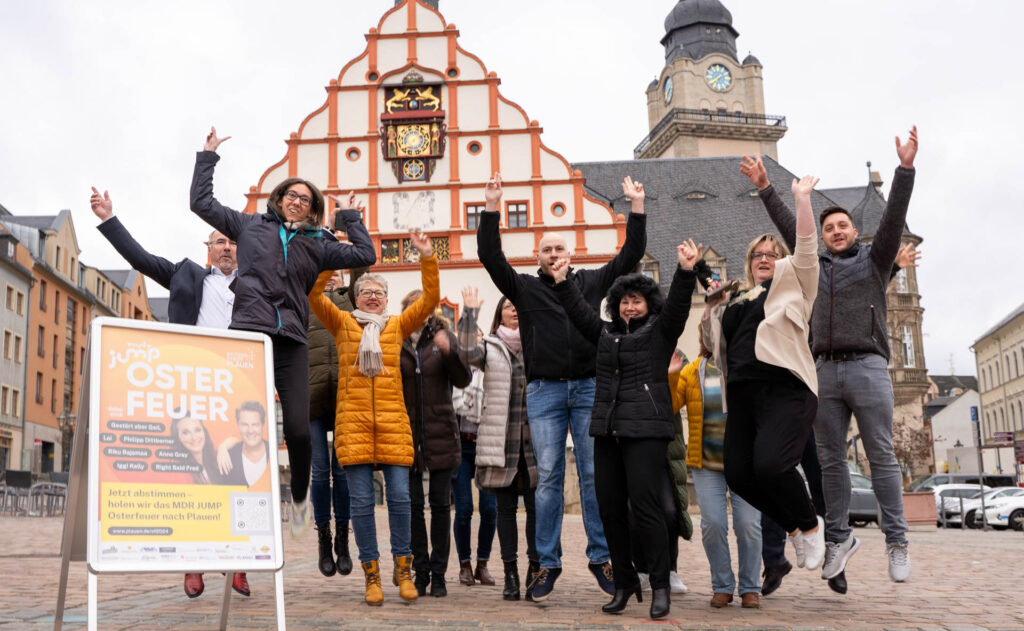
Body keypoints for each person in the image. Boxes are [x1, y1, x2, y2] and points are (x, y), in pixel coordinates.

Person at [740, 126, 919, 584]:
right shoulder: (810, 268)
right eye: (828, 227)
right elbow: (788, 227)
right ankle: (837, 538)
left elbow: (895, 217)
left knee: (881, 454)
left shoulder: (875, 260)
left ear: (854, 232)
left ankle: (896, 541)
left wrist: (903, 170)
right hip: (822, 370)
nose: (836, 231)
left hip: (867, 365)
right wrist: (764, 187)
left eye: (842, 226)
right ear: (821, 235)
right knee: (830, 461)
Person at [189, 127, 376, 537]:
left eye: (305, 199)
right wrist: (208, 157)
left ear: (313, 210)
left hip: (291, 338)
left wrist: (349, 217)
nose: (296, 201)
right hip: (249, 335)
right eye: (290, 195)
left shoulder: (319, 242)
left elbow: (365, 254)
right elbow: (200, 202)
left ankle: (299, 498)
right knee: (237, 426)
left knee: (296, 428)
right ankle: (228, 504)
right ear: (279, 199)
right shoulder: (249, 226)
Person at [477, 173, 648, 601]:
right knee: (549, 476)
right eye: (546, 249)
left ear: (570, 255)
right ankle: (547, 564)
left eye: (559, 248)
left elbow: (631, 254)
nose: (554, 254)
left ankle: (601, 557)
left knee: (593, 475)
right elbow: (490, 256)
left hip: (590, 388)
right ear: (539, 257)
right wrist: (492, 206)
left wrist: (637, 208)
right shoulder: (526, 287)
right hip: (546, 393)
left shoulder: (590, 283)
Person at [89, 187, 251, 599]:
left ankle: (238, 563)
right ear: (209, 249)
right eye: (220, 241)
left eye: (232, 241)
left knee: (236, 476)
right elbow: (140, 259)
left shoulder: (256, 283)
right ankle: (193, 563)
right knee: (192, 474)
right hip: (192, 385)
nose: (227, 246)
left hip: (238, 386)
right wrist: (109, 218)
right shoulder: (185, 273)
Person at [551, 237, 700, 619]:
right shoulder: (605, 333)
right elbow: (579, 312)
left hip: (646, 432)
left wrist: (685, 271)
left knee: (648, 511)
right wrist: (564, 280)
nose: (630, 305)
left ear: (649, 304)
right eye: (624, 300)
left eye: (637, 299)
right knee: (610, 510)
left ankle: (661, 585)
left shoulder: (660, 331)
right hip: (607, 431)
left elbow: (681, 306)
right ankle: (623, 583)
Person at [700, 175, 826, 579]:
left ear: (782, 259)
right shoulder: (736, 300)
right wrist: (711, 308)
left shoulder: (797, 283)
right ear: (749, 261)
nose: (764, 258)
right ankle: (793, 527)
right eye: (757, 254)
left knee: (772, 465)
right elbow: (710, 344)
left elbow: (806, 245)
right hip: (740, 395)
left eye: (772, 253)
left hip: (785, 388)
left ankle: (809, 524)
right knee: (739, 474)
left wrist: (801, 200)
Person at [308, 230, 436, 606]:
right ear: (355, 297)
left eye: (379, 292)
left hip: (393, 426)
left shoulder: (397, 326)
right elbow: (314, 296)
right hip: (354, 426)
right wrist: (329, 258)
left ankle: (404, 568)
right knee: (361, 505)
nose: (373, 296)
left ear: (386, 299)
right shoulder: (342, 324)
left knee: (400, 500)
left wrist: (427, 257)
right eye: (366, 292)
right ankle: (372, 575)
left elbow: (429, 299)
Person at [457, 287, 539, 601]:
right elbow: (464, 353)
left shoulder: (538, 343)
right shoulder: (489, 347)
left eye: (519, 305)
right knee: (505, 512)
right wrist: (468, 313)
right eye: (508, 306)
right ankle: (511, 576)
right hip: (500, 442)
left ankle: (535, 572)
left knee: (534, 510)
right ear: (500, 313)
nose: (515, 310)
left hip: (535, 442)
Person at [669, 340, 762, 609]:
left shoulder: (749, 365)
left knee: (748, 525)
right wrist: (672, 374)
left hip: (746, 463)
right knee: (712, 524)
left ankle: (750, 588)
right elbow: (671, 406)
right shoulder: (693, 370)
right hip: (706, 462)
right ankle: (722, 585)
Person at [400, 299, 472, 597]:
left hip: (441, 432)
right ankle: (422, 570)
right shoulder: (397, 338)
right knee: (413, 506)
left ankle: (440, 573)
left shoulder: (443, 337)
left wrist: (450, 351)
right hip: (406, 435)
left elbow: (464, 379)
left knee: (441, 505)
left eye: (424, 306)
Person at [308, 266, 363, 578]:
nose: (330, 278)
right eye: (324, 272)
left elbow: (362, 268)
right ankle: (324, 537)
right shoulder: (307, 301)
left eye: (336, 274)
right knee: (320, 471)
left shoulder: (351, 302)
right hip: (313, 395)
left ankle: (343, 538)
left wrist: (350, 222)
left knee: (342, 472)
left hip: (344, 395)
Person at [450, 360, 499, 589]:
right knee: (464, 508)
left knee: (490, 508)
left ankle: (482, 563)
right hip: (460, 446)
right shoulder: (454, 374)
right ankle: (464, 565)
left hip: (486, 445)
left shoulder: (491, 374)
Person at [216, 401, 271, 488]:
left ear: (263, 426)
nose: (250, 430)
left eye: (255, 425)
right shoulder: (228, 457)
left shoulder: (273, 452)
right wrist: (222, 448)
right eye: (245, 425)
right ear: (238, 426)